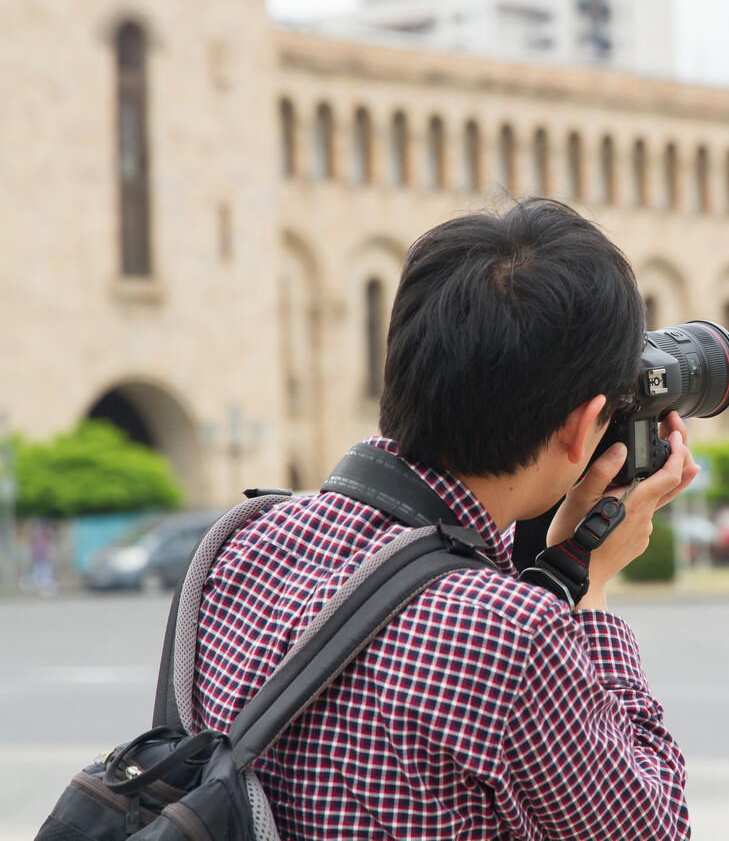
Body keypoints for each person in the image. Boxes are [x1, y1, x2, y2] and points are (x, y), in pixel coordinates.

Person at [191, 200, 698, 839]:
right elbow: (650, 828)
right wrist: (588, 587)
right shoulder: (515, 634)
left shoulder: (239, 542)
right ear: (579, 427)